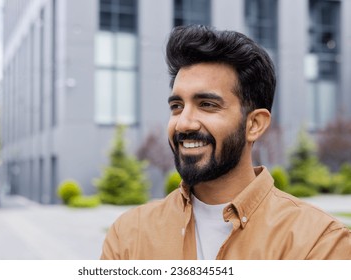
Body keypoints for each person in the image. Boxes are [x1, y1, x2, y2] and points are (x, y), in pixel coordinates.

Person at [100, 25, 351, 260]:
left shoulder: (319, 244)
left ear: (254, 125)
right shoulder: (129, 237)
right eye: (177, 106)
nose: (184, 123)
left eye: (207, 105)